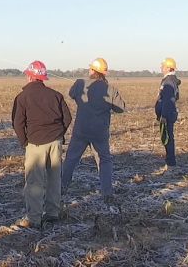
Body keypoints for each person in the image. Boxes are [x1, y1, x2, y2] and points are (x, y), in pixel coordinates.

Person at [11, 60, 72, 229]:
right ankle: (52, 213)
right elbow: (67, 118)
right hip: (55, 142)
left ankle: (34, 218)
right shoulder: (56, 95)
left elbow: (17, 123)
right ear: (42, 77)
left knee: (34, 182)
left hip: (35, 144)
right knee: (54, 178)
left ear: (30, 76)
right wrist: (59, 134)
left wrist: (24, 142)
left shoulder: (22, 97)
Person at [60, 57, 126, 202]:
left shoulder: (79, 84)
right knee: (104, 161)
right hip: (100, 132)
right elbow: (121, 108)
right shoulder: (110, 89)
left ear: (92, 70)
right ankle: (107, 193)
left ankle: (61, 189)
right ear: (103, 73)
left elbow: (71, 94)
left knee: (71, 159)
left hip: (81, 130)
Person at [155, 57, 181, 171]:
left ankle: (171, 164)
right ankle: (169, 162)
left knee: (168, 139)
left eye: (163, 66)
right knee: (167, 138)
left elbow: (168, 100)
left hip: (167, 115)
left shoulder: (169, 81)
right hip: (167, 114)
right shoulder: (170, 80)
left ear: (168, 68)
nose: (161, 67)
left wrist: (164, 116)